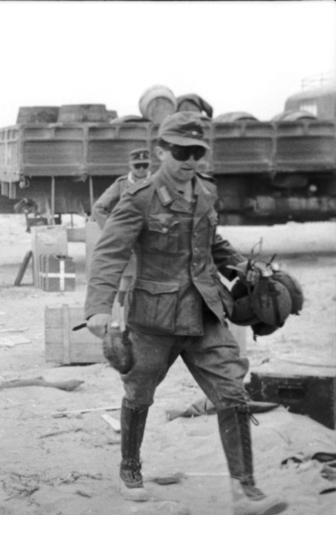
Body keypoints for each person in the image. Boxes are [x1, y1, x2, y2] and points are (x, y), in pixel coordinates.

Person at [83, 112, 286, 515]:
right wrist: (98, 308)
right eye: (181, 152)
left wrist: (241, 266)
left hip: (205, 313)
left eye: (197, 153)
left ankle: (244, 490)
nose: (190, 160)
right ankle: (130, 468)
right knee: (139, 392)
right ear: (161, 151)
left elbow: (212, 242)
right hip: (153, 318)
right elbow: (110, 252)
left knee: (232, 392)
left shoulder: (207, 192)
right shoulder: (138, 198)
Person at [91, 148, 152, 313]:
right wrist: (114, 230)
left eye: (144, 165)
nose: (141, 170)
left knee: (152, 281)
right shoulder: (121, 184)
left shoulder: (158, 181)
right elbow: (99, 208)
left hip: (153, 239)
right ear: (130, 165)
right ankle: (123, 318)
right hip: (129, 240)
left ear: (150, 164)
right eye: (137, 166)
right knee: (126, 279)